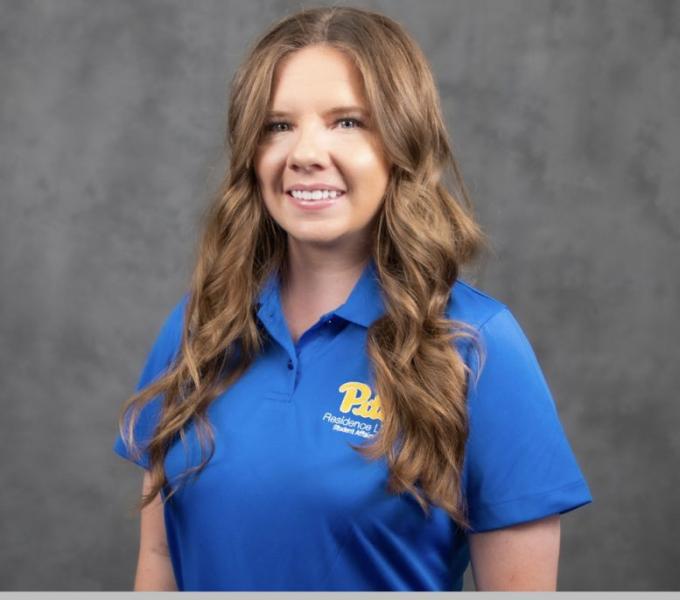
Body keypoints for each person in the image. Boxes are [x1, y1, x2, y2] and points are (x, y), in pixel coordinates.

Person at [113, 6, 592, 592]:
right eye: (277, 125)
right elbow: (161, 561)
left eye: (347, 122)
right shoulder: (201, 326)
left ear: (402, 143)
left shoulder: (476, 345)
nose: (305, 153)